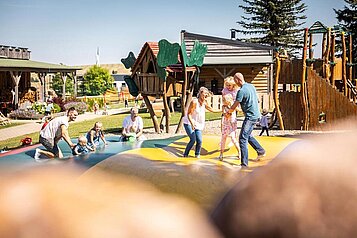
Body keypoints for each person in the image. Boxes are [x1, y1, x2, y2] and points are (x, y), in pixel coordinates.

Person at [227, 73, 266, 168]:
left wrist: (229, 112)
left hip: (250, 117)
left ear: (237, 80)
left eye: (235, 81)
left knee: (242, 138)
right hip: (256, 114)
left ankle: (244, 164)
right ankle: (261, 151)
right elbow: (256, 100)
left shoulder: (241, 91)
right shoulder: (251, 86)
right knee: (248, 135)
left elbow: (235, 104)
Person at [183, 87, 220, 158]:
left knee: (199, 140)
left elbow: (211, 109)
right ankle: (185, 154)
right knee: (193, 139)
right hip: (189, 122)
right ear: (200, 93)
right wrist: (192, 123)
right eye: (204, 94)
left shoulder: (204, 102)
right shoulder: (194, 102)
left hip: (198, 124)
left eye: (207, 94)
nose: (205, 95)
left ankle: (197, 154)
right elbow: (189, 114)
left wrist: (224, 110)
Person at [218, 94, 240, 161]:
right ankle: (221, 153)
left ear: (229, 100)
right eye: (223, 100)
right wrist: (229, 112)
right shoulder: (224, 107)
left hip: (232, 124)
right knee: (223, 138)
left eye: (224, 100)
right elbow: (225, 115)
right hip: (226, 124)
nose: (223, 101)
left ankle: (239, 152)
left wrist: (239, 109)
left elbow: (239, 109)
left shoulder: (233, 106)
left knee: (233, 138)